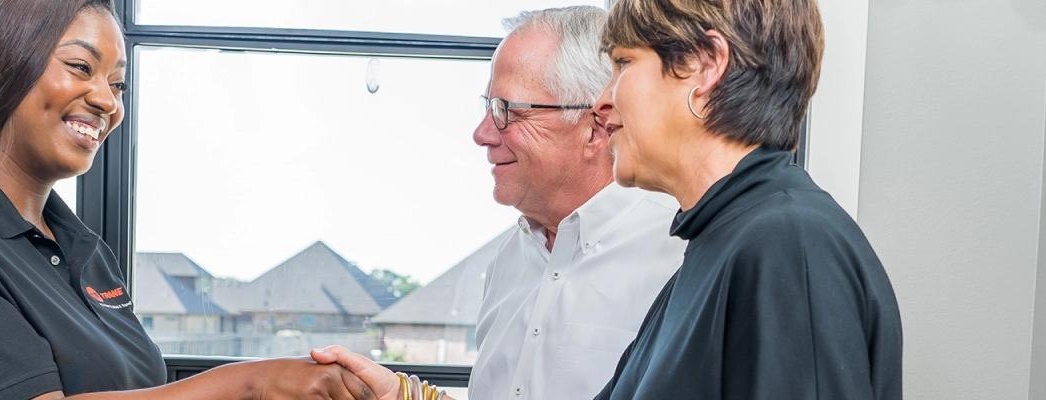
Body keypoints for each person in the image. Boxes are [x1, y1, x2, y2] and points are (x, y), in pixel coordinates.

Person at [316, 0, 904, 398]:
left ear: (705, 67)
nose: (604, 101)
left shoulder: (786, 243)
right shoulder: (718, 242)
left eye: (623, 64)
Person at [0, 1, 372, 399]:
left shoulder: (82, 248)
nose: (107, 101)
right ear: (0, 65)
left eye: (118, 84)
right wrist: (254, 382)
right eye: (81, 67)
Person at [467, 6, 686, 400]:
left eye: (507, 111)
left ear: (595, 128)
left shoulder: (677, 254)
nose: (482, 134)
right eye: (488, 107)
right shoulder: (508, 260)